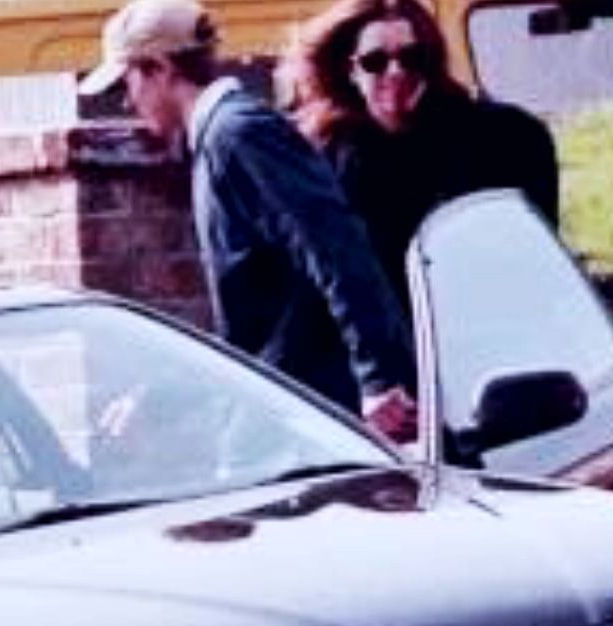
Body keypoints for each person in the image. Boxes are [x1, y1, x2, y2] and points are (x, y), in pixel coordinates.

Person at [80, 0, 418, 441]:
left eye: (127, 80)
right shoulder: (222, 135)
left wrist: (379, 379)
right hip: (288, 399)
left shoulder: (237, 134)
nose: (127, 100)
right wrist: (159, 395)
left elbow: (335, 245)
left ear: (160, 68)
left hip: (311, 405)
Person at [281, 0, 558, 306]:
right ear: (351, 71)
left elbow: (529, 257)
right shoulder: (321, 160)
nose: (396, 72)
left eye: (412, 57)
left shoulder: (505, 138)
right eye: (375, 61)